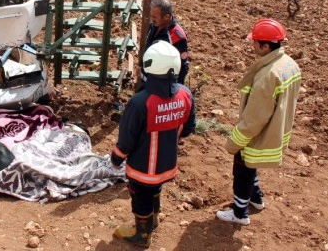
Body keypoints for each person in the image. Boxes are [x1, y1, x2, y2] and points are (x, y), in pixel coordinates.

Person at [216, 18, 302, 225]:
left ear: (265, 46)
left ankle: (239, 213)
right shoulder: (289, 64)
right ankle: (256, 199)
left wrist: (235, 141)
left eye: (255, 42)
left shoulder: (268, 74)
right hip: (276, 130)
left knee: (242, 168)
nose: (252, 45)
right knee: (251, 165)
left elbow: (256, 118)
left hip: (259, 132)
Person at [111, 40, 196, 247]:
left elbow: (127, 139)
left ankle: (142, 234)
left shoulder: (140, 102)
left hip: (142, 168)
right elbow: (188, 127)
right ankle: (154, 219)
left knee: (140, 197)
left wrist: (116, 158)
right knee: (155, 188)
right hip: (167, 163)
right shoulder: (185, 94)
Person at [140, 0, 189, 87]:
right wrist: (140, 66)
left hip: (161, 87)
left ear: (167, 16)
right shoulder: (153, 26)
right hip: (146, 81)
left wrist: (176, 89)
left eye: (154, 17)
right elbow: (148, 46)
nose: (151, 19)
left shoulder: (177, 36)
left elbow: (183, 66)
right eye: (151, 15)